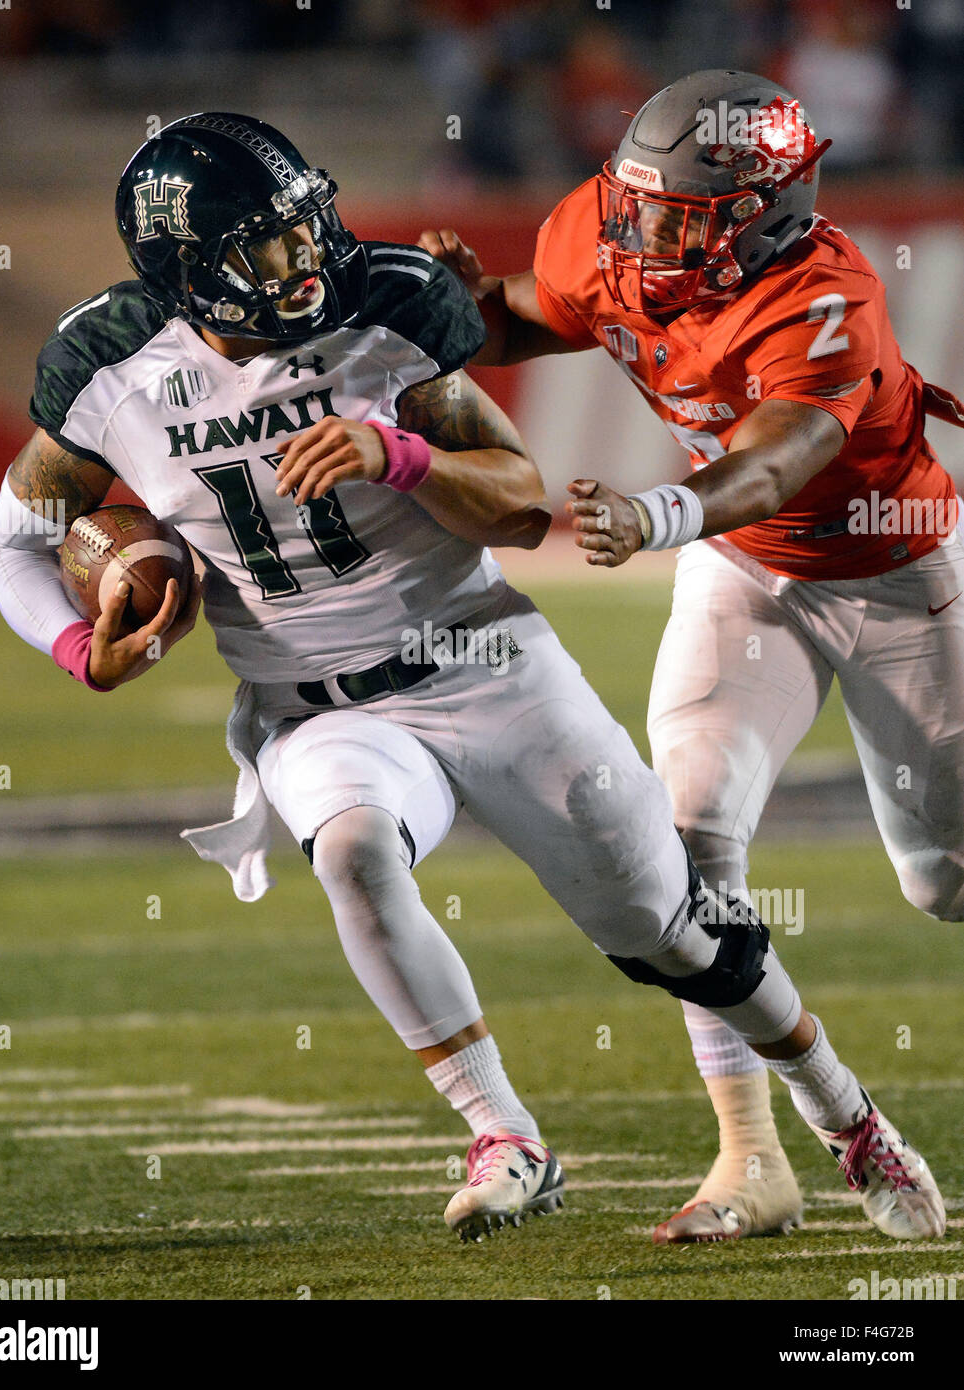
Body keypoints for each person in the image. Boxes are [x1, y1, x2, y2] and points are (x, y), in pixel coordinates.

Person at [0, 111, 944, 1247]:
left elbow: (524, 499)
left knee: (675, 927)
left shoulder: (382, 301)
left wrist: (403, 454)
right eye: (270, 247)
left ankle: (845, 1113)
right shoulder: (107, 363)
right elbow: (14, 540)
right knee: (350, 847)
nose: (306, 261)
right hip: (310, 699)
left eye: (306, 228)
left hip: (481, 656)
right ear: (191, 269)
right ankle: (505, 1134)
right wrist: (76, 648)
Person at [419, 67, 963, 1242]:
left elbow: (774, 459)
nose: (641, 232)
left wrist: (658, 516)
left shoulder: (827, 296)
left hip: (895, 577)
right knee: (693, 849)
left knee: (945, 882)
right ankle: (753, 1160)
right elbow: (534, 309)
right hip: (748, 575)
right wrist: (458, 311)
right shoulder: (609, 230)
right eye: (638, 204)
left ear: (761, 217)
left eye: (677, 217)